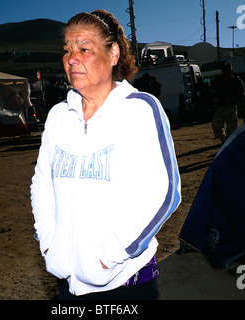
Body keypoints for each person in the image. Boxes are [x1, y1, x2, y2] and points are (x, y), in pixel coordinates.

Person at [30, 9, 181, 300]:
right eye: (67, 50)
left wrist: (110, 256)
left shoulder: (139, 110)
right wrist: (49, 243)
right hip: (68, 285)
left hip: (126, 284)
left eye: (84, 49)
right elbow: (42, 184)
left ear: (113, 54)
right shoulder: (59, 116)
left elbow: (165, 193)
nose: (71, 59)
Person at [211, 62, 245, 143]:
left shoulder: (236, 80)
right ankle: (225, 140)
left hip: (231, 106)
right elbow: (213, 92)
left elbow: (241, 93)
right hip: (221, 106)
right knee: (216, 126)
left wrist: (232, 99)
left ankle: (228, 142)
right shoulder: (218, 80)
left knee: (231, 128)